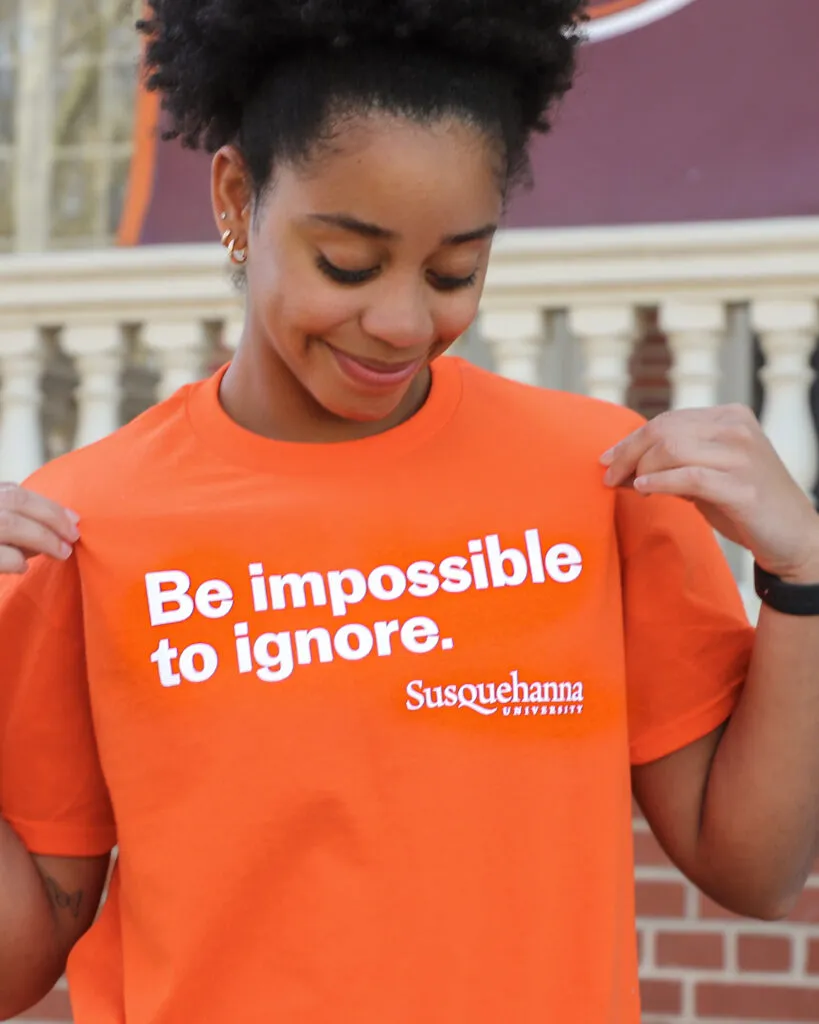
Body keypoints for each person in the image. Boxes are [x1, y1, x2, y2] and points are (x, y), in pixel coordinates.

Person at [2, 1, 819, 1021]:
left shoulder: (596, 477)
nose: (398, 323)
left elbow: (755, 868)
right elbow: (17, 955)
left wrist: (805, 575)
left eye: (452, 273)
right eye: (346, 263)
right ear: (235, 197)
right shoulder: (85, 525)